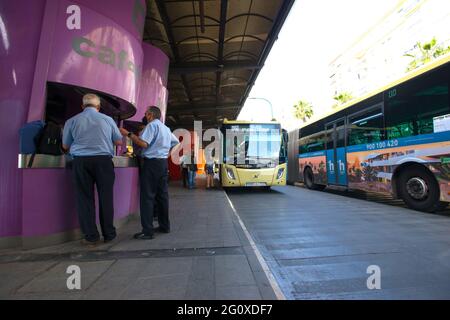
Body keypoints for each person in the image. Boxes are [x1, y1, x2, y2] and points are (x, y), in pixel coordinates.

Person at [62, 93, 123, 246]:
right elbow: (118, 141)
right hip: (103, 161)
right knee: (106, 197)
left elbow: (65, 146)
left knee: (84, 199)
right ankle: (109, 234)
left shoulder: (72, 121)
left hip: (81, 162)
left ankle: (91, 236)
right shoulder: (108, 120)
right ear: (98, 107)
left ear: (82, 106)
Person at [120, 106, 179, 240]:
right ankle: (164, 226)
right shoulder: (165, 128)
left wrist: (128, 134)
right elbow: (176, 142)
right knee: (162, 196)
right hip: (162, 164)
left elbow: (143, 144)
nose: (145, 115)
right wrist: (166, 155)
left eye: (146, 113)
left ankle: (147, 231)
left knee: (147, 197)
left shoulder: (152, 126)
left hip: (151, 164)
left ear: (151, 115)